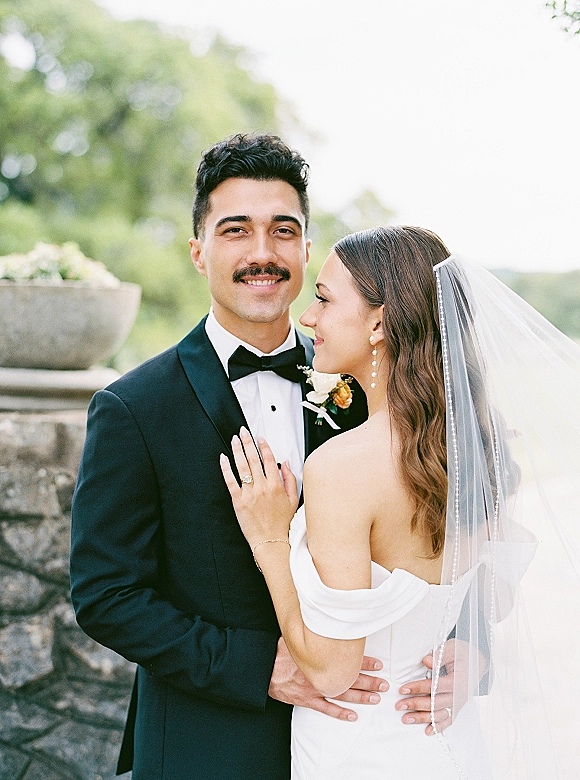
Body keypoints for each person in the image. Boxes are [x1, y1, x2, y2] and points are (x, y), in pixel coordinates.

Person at [69, 136, 438, 780]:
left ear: (304, 248)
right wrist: (257, 666)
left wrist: (470, 653)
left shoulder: (368, 387)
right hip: (209, 745)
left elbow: (446, 535)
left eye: (282, 230)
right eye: (236, 231)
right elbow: (106, 594)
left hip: (368, 741)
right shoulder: (133, 408)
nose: (262, 253)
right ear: (199, 251)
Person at [221, 225, 580, 779]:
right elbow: (492, 590)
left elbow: (332, 671)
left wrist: (270, 540)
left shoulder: (342, 467)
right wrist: (471, 654)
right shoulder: (475, 445)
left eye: (323, 299)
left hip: (357, 748)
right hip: (444, 737)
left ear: (379, 324)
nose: (308, 318)